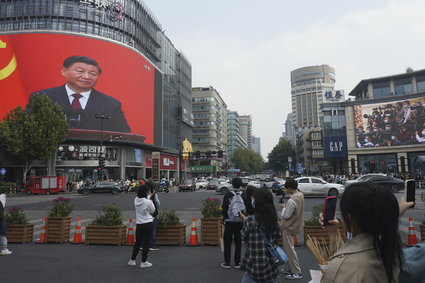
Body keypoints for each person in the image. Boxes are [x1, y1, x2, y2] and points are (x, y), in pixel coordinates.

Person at [320, 182, 403, 283]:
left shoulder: (342, 267)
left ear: (349, 217)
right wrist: (334, 232)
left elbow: (348, 262)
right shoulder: (390, 252)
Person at [32, 55, 131, 132]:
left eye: (93, 74)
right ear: (64, 71)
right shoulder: (42, 97)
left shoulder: (111, 105)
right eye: (80, 71)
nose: (86, 76)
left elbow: (125, 135)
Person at [240, 189, 281, 283]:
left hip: (252, 265)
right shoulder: (275, 221)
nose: (251, 200)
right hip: (270, 267)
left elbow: (244, 239)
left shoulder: (249, 220)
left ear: (257, 202)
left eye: (253, 199)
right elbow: (278, 237)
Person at [280, 178, 304, 280]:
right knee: (288, 248)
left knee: (290, 250)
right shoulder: (300, 195)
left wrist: (283, 207)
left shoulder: (291, 201)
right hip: (296, 224)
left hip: (288, 227)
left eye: (287, 188)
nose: (286, 190)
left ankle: (296, 272)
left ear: (290, 188)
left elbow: (286, 216)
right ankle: (289, 268)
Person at [128, 182, 155, 268]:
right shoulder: (148, 202)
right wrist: (150, 198)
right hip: (148, 223)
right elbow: (153, 211)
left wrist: (149, 196)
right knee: (146, 243)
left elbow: (143, 199)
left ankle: (132, 260)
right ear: (146, 192)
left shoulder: (136, 200)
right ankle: (143, 262)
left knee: (138, 243)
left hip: (139, 224)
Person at [221, 177, 246, 269]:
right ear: (241, 185)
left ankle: (227, 262)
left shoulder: (228, 194)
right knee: (238, 242)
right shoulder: (244, 194)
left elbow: (224, 208)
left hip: (229, 221)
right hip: (240, 221)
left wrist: (224, 217)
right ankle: (237, 263)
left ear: (232, 184)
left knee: (227, 241)